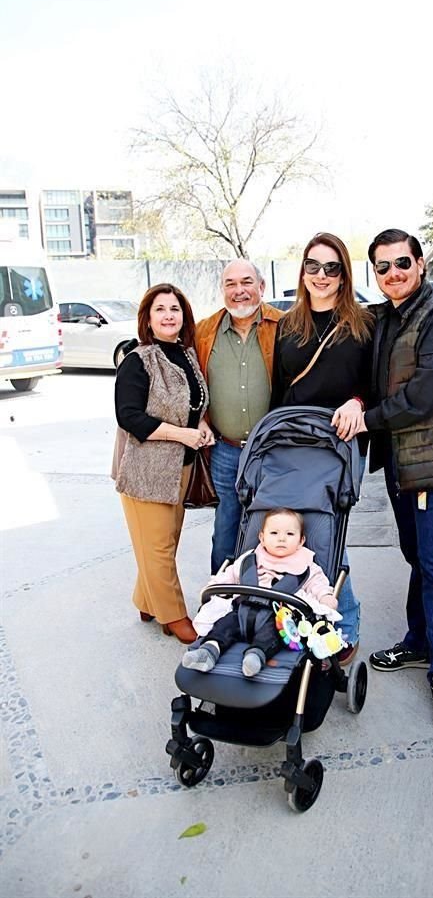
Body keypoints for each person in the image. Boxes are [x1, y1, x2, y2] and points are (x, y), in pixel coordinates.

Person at [354, 228, 433, 731]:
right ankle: (416, 642)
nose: (393, 274)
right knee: (417, 558)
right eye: (382, 267)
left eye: (401, 262)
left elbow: (425, 395)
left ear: (421, 263)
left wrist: (367, 419)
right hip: (404, 467)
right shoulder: (386, 318)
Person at [270, 231, 373, 663]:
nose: (322, 275)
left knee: (329, 531)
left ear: (344, 274)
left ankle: (343, 624)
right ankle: (297, 615)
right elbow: (278, 390)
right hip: (293, 445)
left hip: (340, 443)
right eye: (313, 266)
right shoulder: (287, 325)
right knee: (294, 531)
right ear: (303, 270)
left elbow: (376, 383)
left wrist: (359, 401)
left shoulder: (364, 325)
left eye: (332, 268)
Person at [112, 283, 214, 644]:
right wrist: (181, 435)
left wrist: (199, 425)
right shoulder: (138, 360)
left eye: (175, 308)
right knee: (157, 548)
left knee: (164, 543)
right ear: (148, 318)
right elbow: (129, 417)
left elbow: (192, 404)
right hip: (146, 473)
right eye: (160, 309)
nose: (169, 315)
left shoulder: (185, 355)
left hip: (181, 469)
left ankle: (146, 599)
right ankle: (173, 615)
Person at [195, 261, 284, 575]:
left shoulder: (283, 326)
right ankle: (220, 602)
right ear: (222, 290)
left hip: (273, 452)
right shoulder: (204, 331)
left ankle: (264, 603)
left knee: (274, 531)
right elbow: (189, 381)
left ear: (261, 287)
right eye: (230, 284)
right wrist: (200, 419)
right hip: (225, 450)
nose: (239, 291)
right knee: (226, 532)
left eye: (246, 282)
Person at [182, 508, 337, 676]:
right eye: (274, 533)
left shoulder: (305, 567)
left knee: (273, 635)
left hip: (278, 618)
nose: (281, 538)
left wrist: (326, 597)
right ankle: (209, 650)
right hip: (242, 612)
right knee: (224, 625)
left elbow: (318, 584)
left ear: (301, 541)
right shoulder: (250, 559)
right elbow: (230, 575)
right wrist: (214, 586)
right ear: (262, 538)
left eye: (290, 534)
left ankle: (255, 656)